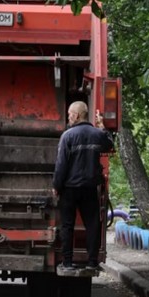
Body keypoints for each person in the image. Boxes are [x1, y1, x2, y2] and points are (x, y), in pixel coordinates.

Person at [53, 100, 114, 270]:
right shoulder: (97, 134)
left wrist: (57, 185)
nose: (68, 117)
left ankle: (67, 262)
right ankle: (92, 262)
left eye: (70, 114)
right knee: (92, 224)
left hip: (70, 189)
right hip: (89, 188)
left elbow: (61, 165)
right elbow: (110, 145)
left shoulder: (68, 136)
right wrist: (102, 127)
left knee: (67, 225)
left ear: (77, 115)